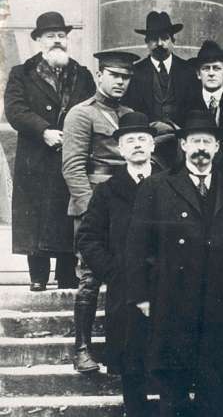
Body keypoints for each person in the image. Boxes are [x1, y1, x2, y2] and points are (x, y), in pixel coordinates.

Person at [125, 110, 223, 417]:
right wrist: (141, 295)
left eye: (207, 142)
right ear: (183, 145)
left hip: (220, 302)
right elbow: (137, 244)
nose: (201, 148)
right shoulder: (157, 187)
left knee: (214, 381)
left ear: (217, 147)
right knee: (173, 383)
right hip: (173, 299)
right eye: (195, 141)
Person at [3, 11, 95, 291]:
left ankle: (67, 274)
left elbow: (91, 107)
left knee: (68, 213)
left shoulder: (82, 74)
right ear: (39, 40)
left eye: (61, 35)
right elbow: (15, 110)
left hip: (71, 154)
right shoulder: (22, 73)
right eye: (50, 36)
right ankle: (38, 277)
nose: (57, 40)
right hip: (36, 157)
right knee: (35, 217)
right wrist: (44, 130)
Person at [76, 111, 158, 416]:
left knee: (169, 361)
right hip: (125, 289)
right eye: (130, 140)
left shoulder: (171, 184)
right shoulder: (108, 191)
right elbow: (88, 238)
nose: (137, 145)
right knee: (131, 362)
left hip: (166, 286)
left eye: (142, 139)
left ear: (152, 146)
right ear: (121, 149)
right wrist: (114, 271)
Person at [62, 50, 139, 373]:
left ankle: (125, 347)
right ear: (99, 75)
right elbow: (73, 167)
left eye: (126, 77)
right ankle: (81, 348)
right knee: (91, 277)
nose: (120, 82)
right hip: (94, 205)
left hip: (127, 205)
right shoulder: (81, 114)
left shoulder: (130, 115)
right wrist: (90, 211)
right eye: (114, 75)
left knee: (130, 273)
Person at [124, 11, 195, 168]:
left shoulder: (188, 70)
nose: (160, 43)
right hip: (149, 148)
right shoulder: (135, 72)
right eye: (154, 39)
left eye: (164, 38)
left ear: (173, 40)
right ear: (146, 42)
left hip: (182, 147)